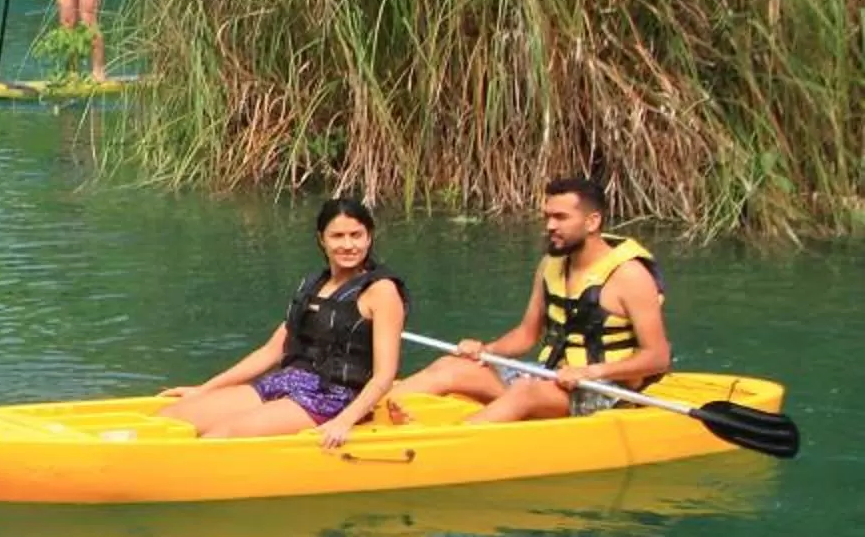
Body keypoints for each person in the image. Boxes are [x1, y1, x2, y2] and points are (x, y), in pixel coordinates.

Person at [389, 175, 670, 424]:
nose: (549, 225)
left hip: (607, 390)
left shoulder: (630, 276)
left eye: (560, 217)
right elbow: (527, 335)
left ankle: (443, 445)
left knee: (526, 391)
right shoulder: (551, 264)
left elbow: (657, 358)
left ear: (592, 221)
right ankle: (364, 412)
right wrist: (485, 350)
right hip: (551, 377)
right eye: (547, 216)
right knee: (454, 366)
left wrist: (591, 371)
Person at [161, 198, 410, 446]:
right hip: (288, 381)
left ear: (369, 237)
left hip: (334, 398)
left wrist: (344, 421)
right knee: (172, 418)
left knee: (219, 436)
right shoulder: (313, 284)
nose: (348, 245)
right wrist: (204, 389)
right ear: (322, 239)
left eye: (356, 235)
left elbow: (384, 375)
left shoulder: (382, 292)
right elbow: (272, 351)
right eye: (338, 236)